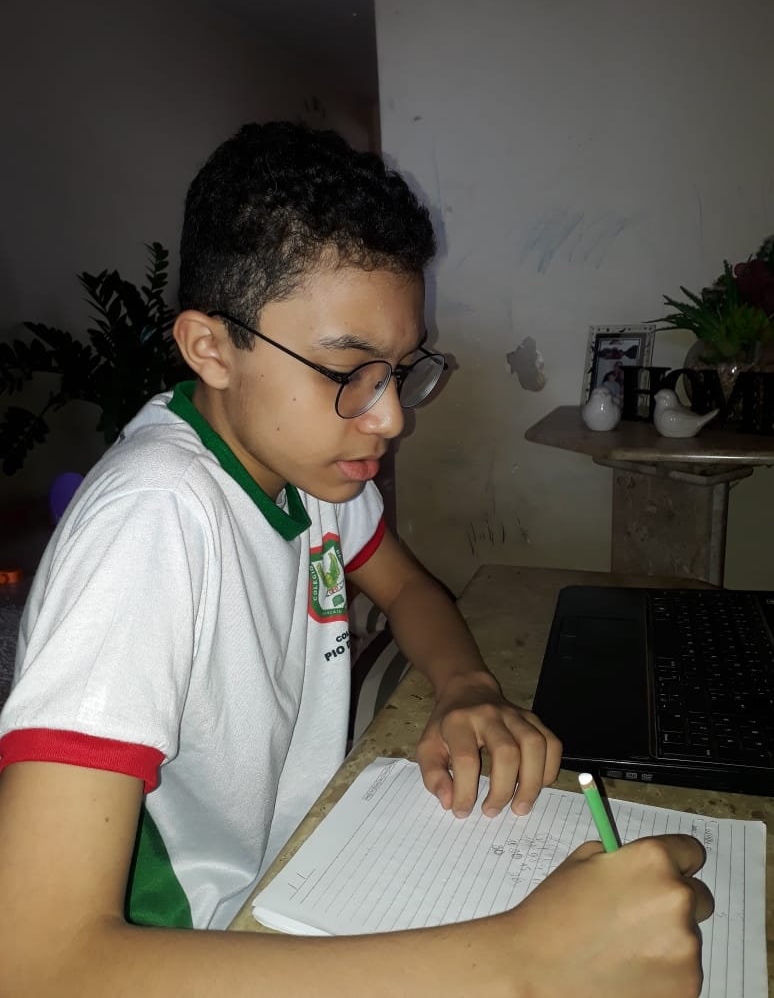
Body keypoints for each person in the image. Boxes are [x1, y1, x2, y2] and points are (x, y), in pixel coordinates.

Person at [0, 122, 712, 997]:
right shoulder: (151, 523)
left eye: (401, 371)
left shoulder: (314, 472)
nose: (390, 417)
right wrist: (520, 964)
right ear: (211, 348)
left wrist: (466, 688)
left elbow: (407, 588)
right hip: (195, 943)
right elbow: (37, 961)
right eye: (349, 372)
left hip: (301, 869)